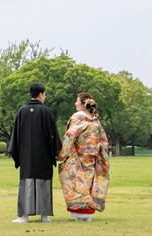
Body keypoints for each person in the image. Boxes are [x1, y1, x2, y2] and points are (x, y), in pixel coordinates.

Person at [8, 82, 62, 223]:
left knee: (27, 182)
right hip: (43, 154)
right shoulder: (47, 111)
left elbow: (16, 135)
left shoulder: (22, 111)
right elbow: (54, 134)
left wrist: (17, 152)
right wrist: (57, 149)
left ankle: (24, 216)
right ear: (40, 94)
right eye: (44, 94)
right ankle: (44, 216)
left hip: (26, 155)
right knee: (43, 182)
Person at [58, 92, 110, 222]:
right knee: (89, 182)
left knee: (77, 182)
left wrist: (61, 154)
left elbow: (70, 136)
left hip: (79, 156)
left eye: (77, 101)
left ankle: (80, 212)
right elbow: (104, 141)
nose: (75, 103)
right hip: (92, 157)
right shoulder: (96, 121)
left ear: (83, 104)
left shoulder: (78, 118)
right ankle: (88, 213)